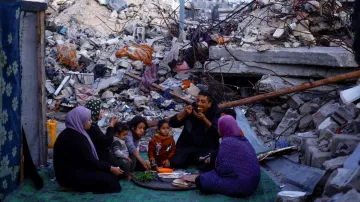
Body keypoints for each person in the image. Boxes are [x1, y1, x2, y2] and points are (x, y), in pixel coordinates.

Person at [53, 106, 123, 193]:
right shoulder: (76, 138)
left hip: (74, 170)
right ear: (81, 120)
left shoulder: (74, 132)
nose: (91, 121)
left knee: (112, 175)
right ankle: (73, 187)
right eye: (88, 119)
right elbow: (91, 161)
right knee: (112, 182)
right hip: (69, 177)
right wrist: (110, 168)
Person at [195, 115, 260, 197]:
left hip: (242, 187)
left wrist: (214, 166)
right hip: (253, 183)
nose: (218, 129)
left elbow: (223, 170)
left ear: (223, 127)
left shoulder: (227, 142)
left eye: (219, 127)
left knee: (201, 180)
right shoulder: (243, 139)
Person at [169, 90, 220, 170]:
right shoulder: (192, 109)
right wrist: (184, 113)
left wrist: (204, 119)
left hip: (206, 147)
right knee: (175, 163)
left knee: (206, 166)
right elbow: (173, 123)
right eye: (198, 101)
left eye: (203, 102)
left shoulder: (215, 112)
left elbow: (217, 132)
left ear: (209, 104)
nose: (199, 104)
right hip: (187, 146)